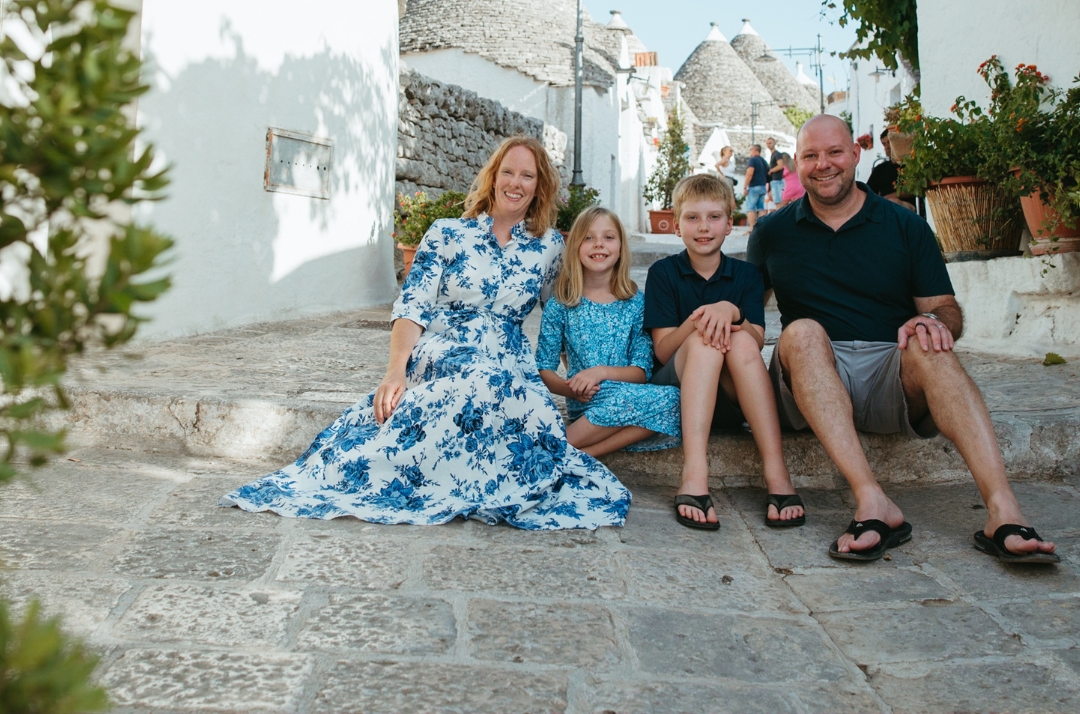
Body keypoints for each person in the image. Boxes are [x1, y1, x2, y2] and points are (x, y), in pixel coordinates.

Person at [220, 136, 631, 529]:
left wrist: (613, 344)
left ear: (539, 186)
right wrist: (395, 371)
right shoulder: (447, 233)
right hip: (444, 347)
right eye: (508, 172)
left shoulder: (548, 248)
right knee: (479, 378)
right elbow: (412, 306)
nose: (516, 183)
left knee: (526, 406)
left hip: (508, 357)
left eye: (527, 176)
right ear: (493, 177)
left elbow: (567, 304)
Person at [748, 115, 1059, 563]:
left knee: (932, 346)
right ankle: (872, 500)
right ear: (796, 164)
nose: (823, 164)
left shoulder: (904, 224)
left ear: (856, 154)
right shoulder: (771, 232)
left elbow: (946, 308)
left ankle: (1003, 510)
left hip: (890, 372)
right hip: (811, 375)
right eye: (810, 156)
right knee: (801, 331)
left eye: (834, 152)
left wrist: (934, 322)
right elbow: (746, 312)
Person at [643, 173, 804, 532]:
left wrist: (730, 310)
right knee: (703, 341)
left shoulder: (747, 275)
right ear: (675, 225)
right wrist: (702, 318)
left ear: (730, 224)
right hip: (678, 392)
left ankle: (776, 473)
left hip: (731, 402)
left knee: (742, 339)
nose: (704, 227)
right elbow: (665, 350)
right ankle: (694, 476)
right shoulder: (663, 273)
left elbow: (758, 340)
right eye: (692, 218)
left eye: (714, 217)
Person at [536, 206, 681, 457]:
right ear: (575, 248)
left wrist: (601, 372)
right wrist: (569, 389)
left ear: (621, 247)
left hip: (626, 392)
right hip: (586, 400)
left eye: (608, 237)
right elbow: (544, 368)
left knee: (676, 399)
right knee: (650, 403)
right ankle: (561, 445)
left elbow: (641, 372)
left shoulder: (635, 302)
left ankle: (583, 453)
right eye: (588, 238)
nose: (598, 245)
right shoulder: (563, 302)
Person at [866, 129, 916, 211]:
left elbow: (915, 190)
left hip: (908, 208)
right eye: (884, 144)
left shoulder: (911, 165)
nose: (887, 147)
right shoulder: (880, 169)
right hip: (884, 208)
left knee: (893, 202)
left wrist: (890, 196)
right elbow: (868, 192)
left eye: (889, 142)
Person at [741, 144, 770, 230]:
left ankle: (752, 229)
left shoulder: (752, 160)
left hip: (754, 187)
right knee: (761, 208)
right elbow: (768, 175)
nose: (750, 152)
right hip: (763, 186)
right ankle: (761, 229)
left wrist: (745, 187)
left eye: (750, 150)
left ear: (754, 150)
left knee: (750, 208)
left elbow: (750, 173)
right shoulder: (764, 161)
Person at [765, 136, 785, 210]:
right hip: (774, 180)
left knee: (778, 201)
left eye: (770, 143)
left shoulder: (777, 154)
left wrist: (771, 171)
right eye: (767, 143)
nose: (768, 144)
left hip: (777, 180)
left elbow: (780, 165)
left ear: (774, 143)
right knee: (776, 201)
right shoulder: (773, 154)